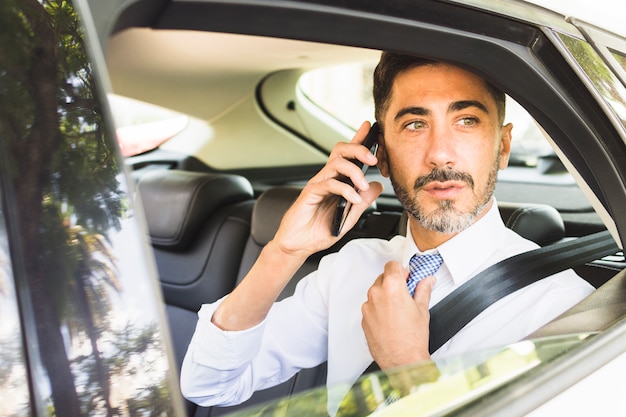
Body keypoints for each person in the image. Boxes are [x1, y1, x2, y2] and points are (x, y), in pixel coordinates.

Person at [180, 53, 594, 414]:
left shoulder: (562, 307)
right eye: (415, 124)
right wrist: (284, 251)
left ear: (502, 147)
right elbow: (210, 384)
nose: (440, 153)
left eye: (466, 121)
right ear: (380, 155)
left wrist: (408, 368)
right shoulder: (349, 267)